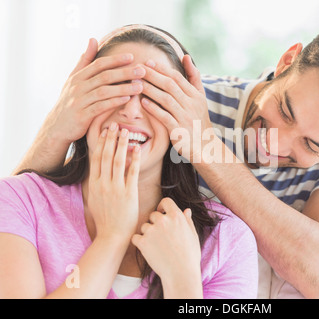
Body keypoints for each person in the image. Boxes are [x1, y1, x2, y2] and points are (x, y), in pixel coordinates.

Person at [12, 13, 319, 299]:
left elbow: (317, 273)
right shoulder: (178, 100)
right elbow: (20, 209)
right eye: (284, 109)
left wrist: (205, 147)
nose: (277, 145)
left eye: (312, 146)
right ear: (285, 62)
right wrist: (57, 129)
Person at [0, 25, 258, 299]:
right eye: (116, 88)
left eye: (154, 96)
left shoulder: (227, 241)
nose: (131, 111)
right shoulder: (18, 200)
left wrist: (182, 282)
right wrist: (112, 238)